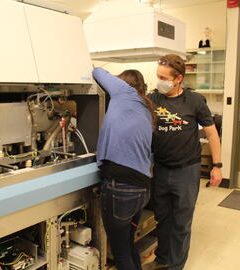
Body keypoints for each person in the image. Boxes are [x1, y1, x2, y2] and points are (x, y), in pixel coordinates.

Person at [143, 54, 222, 270]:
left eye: (163, 77)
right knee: (163, 219)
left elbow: (212, 135)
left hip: (186, 171)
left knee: (181, 222)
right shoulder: (154, 99)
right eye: (157, 76)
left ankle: (175, 266)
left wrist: (217, 166)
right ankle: (162, 259)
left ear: (178, 78)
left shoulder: (195, 101)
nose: (159, 81)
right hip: (160, 169)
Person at [93, 67, 155, 270]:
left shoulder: (125, 93)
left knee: (120, 254)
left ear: (124, 83)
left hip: (121, 189)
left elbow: (98, 72)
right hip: (141, 188)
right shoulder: (144, 108)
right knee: (128, 245)